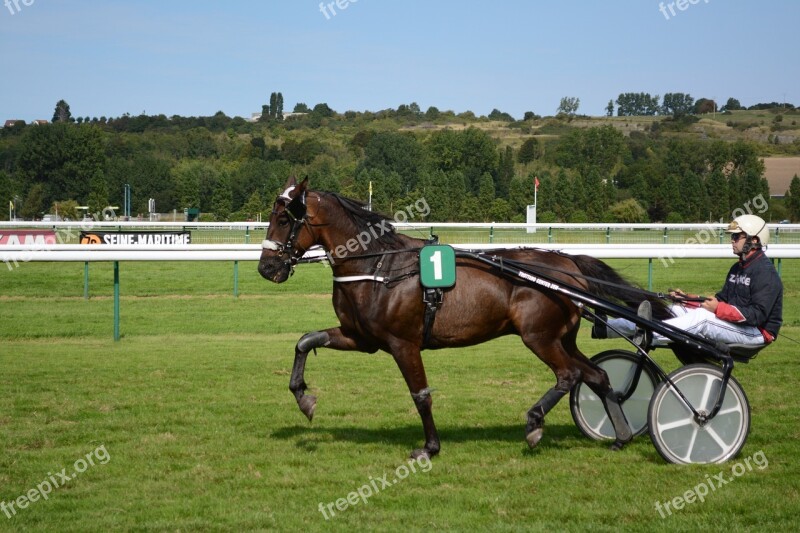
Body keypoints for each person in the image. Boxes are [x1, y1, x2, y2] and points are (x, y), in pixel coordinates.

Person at [596, 214, 783, 347]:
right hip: (740, 324)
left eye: (736, 237)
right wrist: (687, 298)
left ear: (755, 240)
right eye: (732, 237)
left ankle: (650, 334)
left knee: (702, 320)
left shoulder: (765, 273)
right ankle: (607, 327)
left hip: (757, 331)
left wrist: (717, 309)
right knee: (674, 309)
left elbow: (757, 316)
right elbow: (720, 300)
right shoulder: (737, 268)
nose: (732, 241)